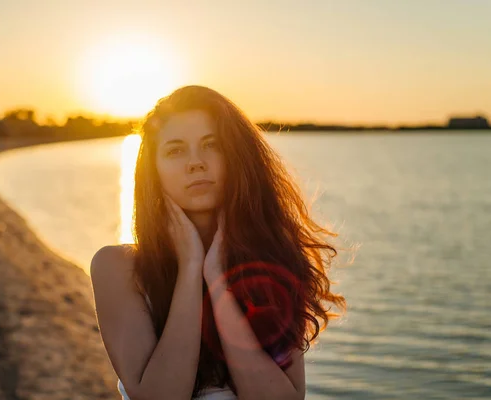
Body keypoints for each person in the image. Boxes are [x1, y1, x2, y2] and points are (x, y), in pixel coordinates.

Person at [90, 85, 347, 400]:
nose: (196, 163)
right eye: (175, 150)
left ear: (237, 157)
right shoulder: (117, 267)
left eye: (212, 145)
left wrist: (216, 280)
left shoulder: (275, 260)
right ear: (152, 171)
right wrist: (190, 268)